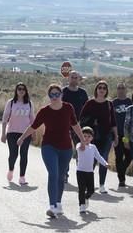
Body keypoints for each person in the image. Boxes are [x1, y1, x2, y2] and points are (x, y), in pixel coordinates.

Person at [17, 84, 86, 218]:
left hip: (66, 147)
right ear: (49, 96)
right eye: (52, 95)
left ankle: (58, 203)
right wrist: (22, 137)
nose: (54, 97)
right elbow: (33, 126)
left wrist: (82, 140)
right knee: (53, 174)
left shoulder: (68, 108)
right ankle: (52, 205)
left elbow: (75, 124)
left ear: (61, 95)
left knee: (61, 176)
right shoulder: (44, 111)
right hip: (49, 146)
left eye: (57, 94)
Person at [80, 80, 117, 194]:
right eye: (100, 87)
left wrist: (116, 136)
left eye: (104, 88)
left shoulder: (109, 104)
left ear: (106, 91)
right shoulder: (90, 103)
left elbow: (113, 122)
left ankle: (102, 185)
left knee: (103, 159)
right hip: (92, 137)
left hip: (106, 136)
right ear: (96, 89)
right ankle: (88, 183)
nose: (101, 89)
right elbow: (81, 118)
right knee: (91, 160)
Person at [1, 83, 35, 185]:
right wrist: (3, 134)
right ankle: (11, 170)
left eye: (23, 89)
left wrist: (33, 133)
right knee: (13, 154)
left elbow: (32, 119)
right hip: (12, 132)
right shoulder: (11, 103)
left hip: (26, 133)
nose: (21, 91)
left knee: (24, 154)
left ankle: (22, 177)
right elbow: (4, 119)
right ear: (16, 90)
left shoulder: (29, 103)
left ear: (26, 91)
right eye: (19, 89)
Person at [61, 70, 89, 182]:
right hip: (65, 126)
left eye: (76, 77)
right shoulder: (63, 92)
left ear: (79, 79)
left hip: (79, 126)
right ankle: (64, 174)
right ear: (68, 79)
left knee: (81, 151)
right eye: (72, 77)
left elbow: (87, 109)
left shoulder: (83, 93)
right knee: (66, 151)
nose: (74, 79)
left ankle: (81, 175)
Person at [75, 127, 109, 213]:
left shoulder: (93, 147)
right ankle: (82, 205)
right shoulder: (79, 145)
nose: (86, 138)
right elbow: (81, 148)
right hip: (80, 172)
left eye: (88, 136)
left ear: (92, 138)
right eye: (84, 136)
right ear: (81, 136)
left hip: (90, 172)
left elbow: (98, 157)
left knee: (91, 190)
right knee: (81, 189)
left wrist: (105, 163)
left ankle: (86, 198)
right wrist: (82, 142)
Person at [112, 83, 133, 188]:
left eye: (123, 88)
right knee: (119, 156)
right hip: (118, 134)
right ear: (117, 90)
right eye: (119, 88)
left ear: (126, 90)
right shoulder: (113, 103)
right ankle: (121, 179)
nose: (121, 90)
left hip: (128, 135)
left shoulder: (130, 102)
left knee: (130, 156)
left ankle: (122, 170)